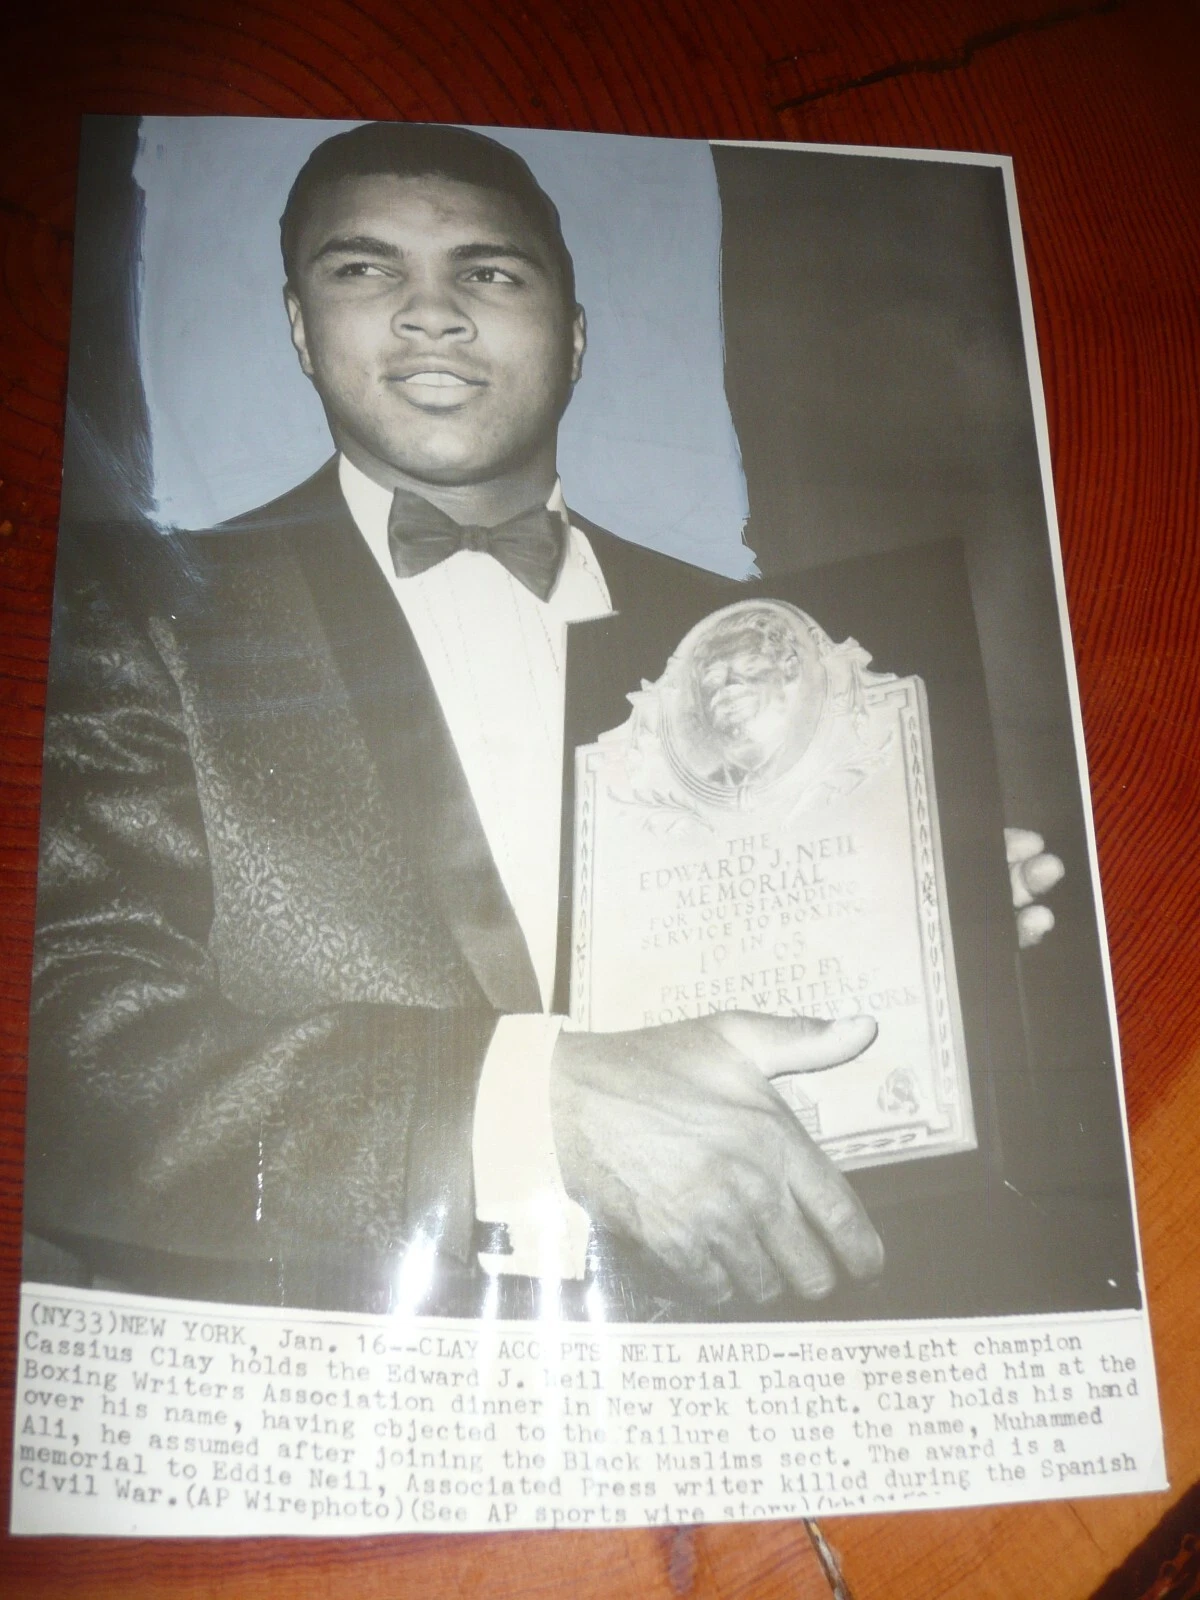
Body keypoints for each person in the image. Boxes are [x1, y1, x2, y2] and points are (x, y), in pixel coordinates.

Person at [27, 122, 1052, 1319]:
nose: (431, 313)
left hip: (741, 1341)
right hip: (340, 1372)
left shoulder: (751, 637)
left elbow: (803, 1044)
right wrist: (527, 1103)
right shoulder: (139, 608)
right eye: (364, 271)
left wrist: (932, 936)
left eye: (489, 272)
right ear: (302, 330)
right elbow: (71, 1045)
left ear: (572, 339)